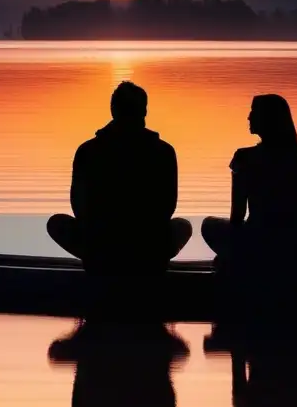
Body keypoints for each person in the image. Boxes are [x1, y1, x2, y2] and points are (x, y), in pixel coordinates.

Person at [48, 81, 192, 283]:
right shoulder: (164, 151)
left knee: (56, 223)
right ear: (144, 111)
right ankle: (143, 264)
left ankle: (103, 263)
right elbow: (168, 207)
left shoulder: (87, 150)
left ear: (113, 110)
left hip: (100, 249)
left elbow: (78, 207)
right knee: (183, 226)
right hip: (149, 250)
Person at [201, 94, 297, 280]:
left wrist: (230, 250)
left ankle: (233, 263)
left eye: (253, 112)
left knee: (208, 224)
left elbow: (237, 217)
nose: (248, 117)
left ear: (268, 119)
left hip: (258, 245)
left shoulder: (244, 158)